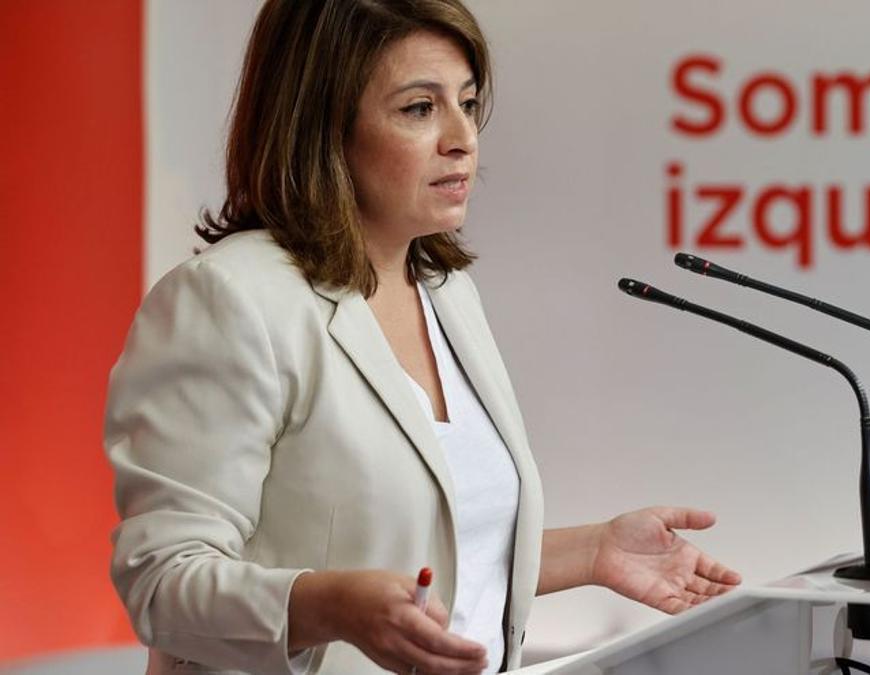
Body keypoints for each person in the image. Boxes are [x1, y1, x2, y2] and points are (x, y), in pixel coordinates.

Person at [104, 1, 741, 674]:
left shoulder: (444, 290)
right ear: (323, 127)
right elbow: (162, 582)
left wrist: (592, 551)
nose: (462, 137)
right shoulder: (229, 300)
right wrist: (329, 605)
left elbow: (433, 551)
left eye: (467, 103)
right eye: (418, 108)